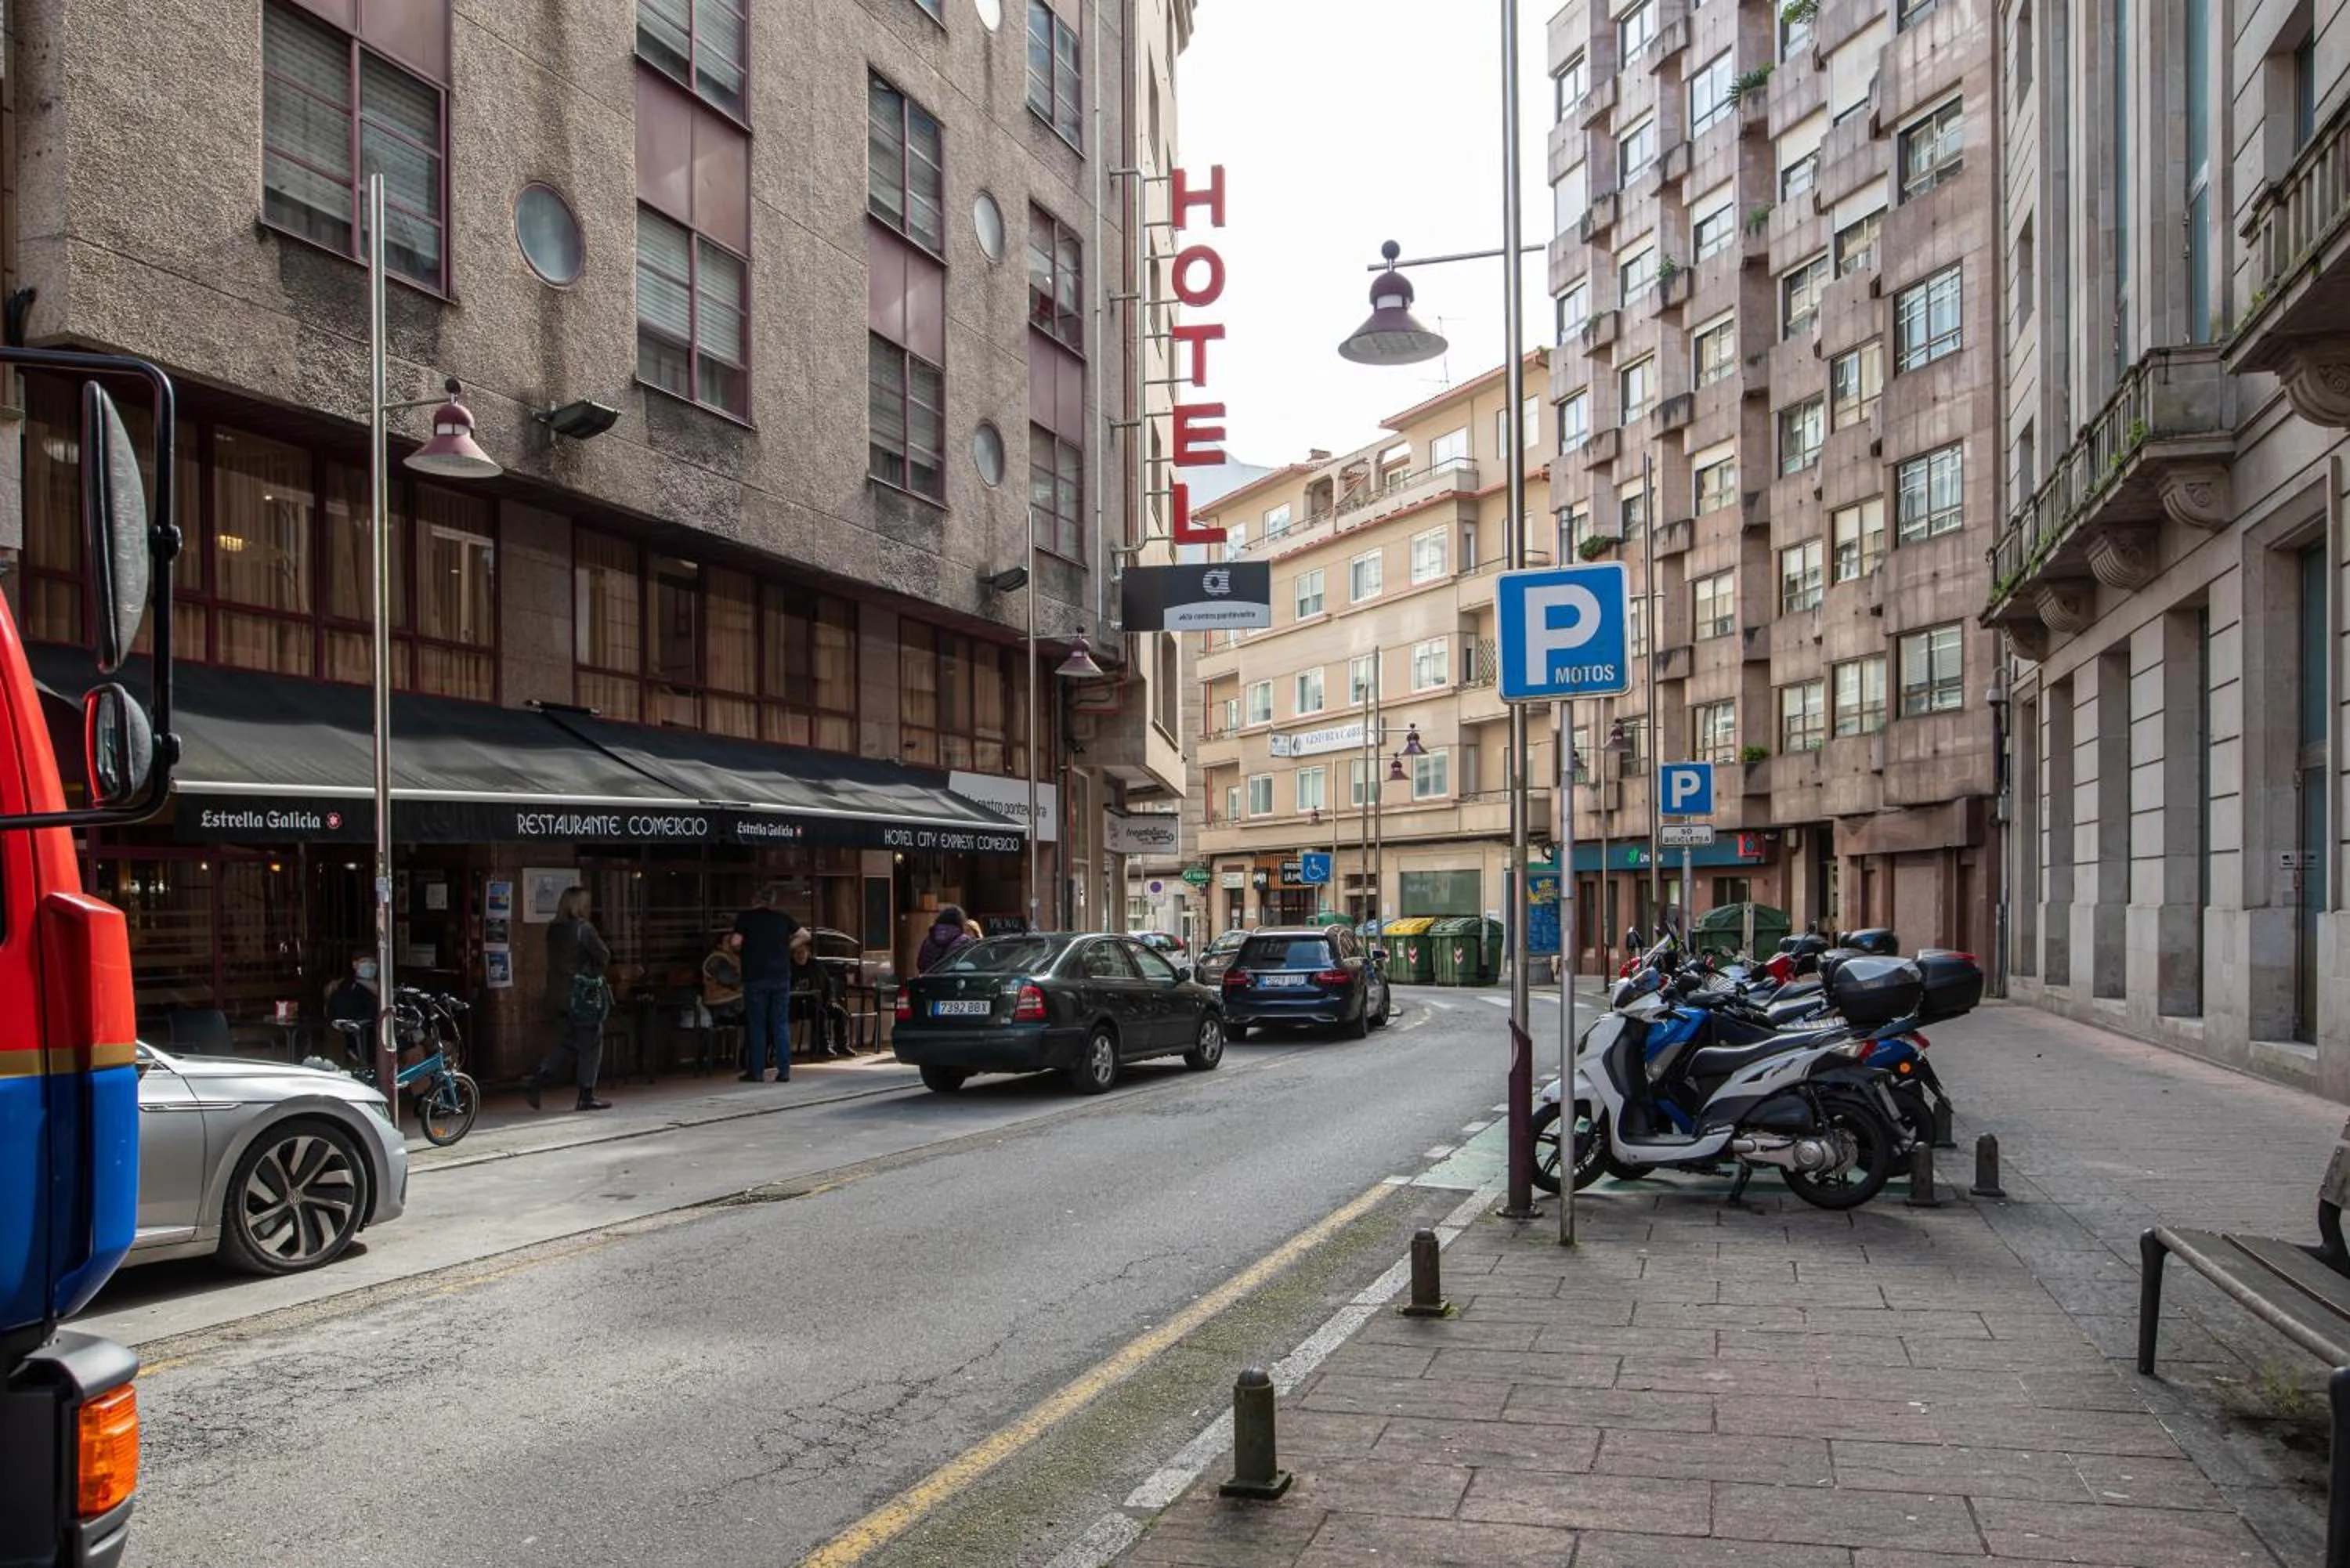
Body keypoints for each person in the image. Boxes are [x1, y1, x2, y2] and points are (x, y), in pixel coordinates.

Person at [524, 885, 613, 1111]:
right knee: (591, 1041)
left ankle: (538, 1079)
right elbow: (604, 955)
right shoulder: (584, 929)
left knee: (568, 1041)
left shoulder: (554, 929)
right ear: (579, 905)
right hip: (580, 996)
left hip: (558, 994)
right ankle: (586, 1095)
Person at [733, 881, 811, 1081]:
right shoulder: (781, 918)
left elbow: (735, 942)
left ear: (755, 901)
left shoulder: (746, 918)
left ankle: (757, 1072)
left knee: (757, 1024)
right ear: (772, 902)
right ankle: (784, 1071)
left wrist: (743, 950)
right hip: (780, 977)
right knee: (780, 1023)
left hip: (755, 977)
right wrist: (787, 947)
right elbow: (805, 935)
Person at [917, 905, 980, 974]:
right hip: (952, 981)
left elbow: (920, 964)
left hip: (928, 980)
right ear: (961, 921)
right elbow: (976, 963)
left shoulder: (928, 940)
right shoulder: (965, 941)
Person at [325, 952, 379, 1030]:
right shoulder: (346, 986)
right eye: (364, 962)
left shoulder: (384, 985)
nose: (369, 965)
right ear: (354, 964)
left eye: (373, 962)